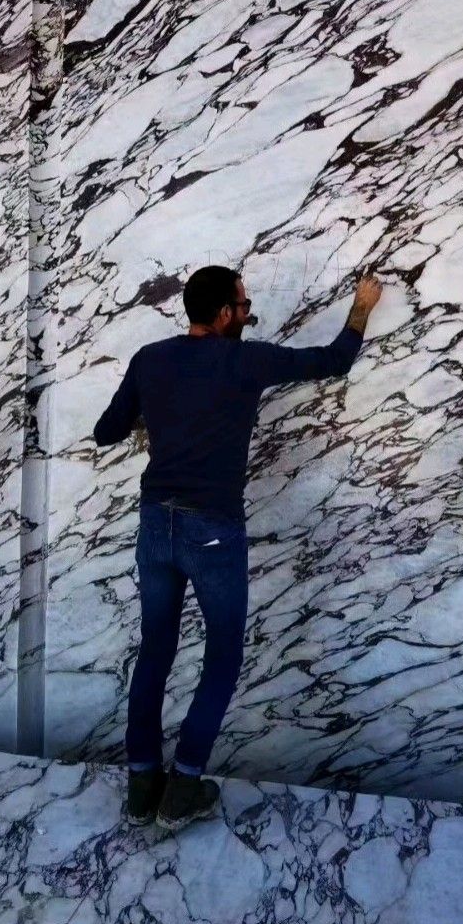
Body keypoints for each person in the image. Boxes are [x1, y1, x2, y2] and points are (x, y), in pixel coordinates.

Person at [93, 266, 383, 831]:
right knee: (223, 655)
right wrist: (361, 307)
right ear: (224, 313)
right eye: (244, 306)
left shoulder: (149, 359)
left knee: (155, 652)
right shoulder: (243, 361)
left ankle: (141, 789)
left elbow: (106, 431)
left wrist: (155, 421)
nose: (249, 314)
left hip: (155, 523)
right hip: (212, 530)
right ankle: (182, 789)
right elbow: (333, 360)